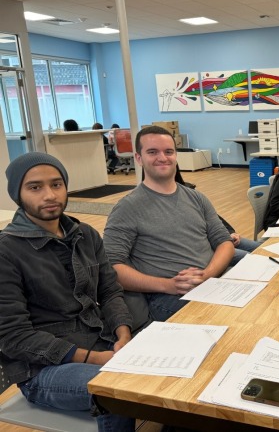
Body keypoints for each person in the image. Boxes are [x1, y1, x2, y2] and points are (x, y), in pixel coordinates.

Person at [0, 152, 135, 432]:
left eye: (57, 184)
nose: (49, 195)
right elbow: (14, 336)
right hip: (42, 370)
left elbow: (110, 291)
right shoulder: (7, 251)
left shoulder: (85, 234)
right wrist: (95, 358)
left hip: (101, 342)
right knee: (116, 389)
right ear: (18, 194)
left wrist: (124, 335)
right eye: (35, 187)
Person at [103, 126, 234, 326]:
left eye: (168, 151)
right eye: (152, 152)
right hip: (167, 297)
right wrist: (169, 285)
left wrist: (207, 275)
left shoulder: (197, 198)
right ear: (139, 158)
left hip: (212, 282)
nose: (162, 157)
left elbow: (225, 242)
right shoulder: (127, 208)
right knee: (231, 323)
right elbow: (112, 267)